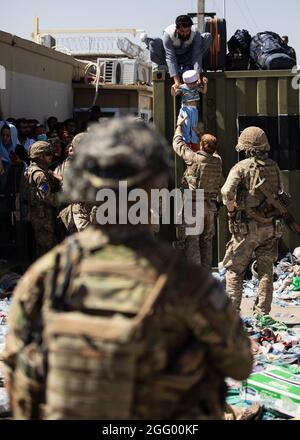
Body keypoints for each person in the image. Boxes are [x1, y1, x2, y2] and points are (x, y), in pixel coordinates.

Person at [3, 117, 252, 420]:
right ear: (151, 188)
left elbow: (16, 374)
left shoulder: (48, 274)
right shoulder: (185, 280)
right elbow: (239, 364)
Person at [222, 127, 284, 315]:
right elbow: (281, 192)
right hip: (269, 228)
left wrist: (231, 212)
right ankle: (262, 313)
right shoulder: (273, 166)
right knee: (266, 272)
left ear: (247, 148)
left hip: (246, 229)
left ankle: (232, 314)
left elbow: (226, 193)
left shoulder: (240, 168)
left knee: (234, 270)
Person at [173, 115, 224, 268]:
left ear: (201, 146)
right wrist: (200, 134)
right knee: (207, 241)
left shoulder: (194, 158)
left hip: (195, 206)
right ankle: (206, 272)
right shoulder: (217, 160)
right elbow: (211, 150)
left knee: (192, 240)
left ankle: (195, 276)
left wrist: (179, 127)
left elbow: (178, 144)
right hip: (210, 207)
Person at [146, 15, 212, 89]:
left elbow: (197, 54)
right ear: (177, 29)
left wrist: (198, 75)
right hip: (172, 59)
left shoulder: (195, 33)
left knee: (207, 37)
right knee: (153, 43)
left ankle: (188, 67)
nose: (185, 34)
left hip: (188, 57)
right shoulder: (168, 34)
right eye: (182, 31)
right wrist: (177, 81)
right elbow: (170, 56)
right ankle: (171, 70)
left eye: (187, 31)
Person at [22, 141, 61, 257]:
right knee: (47, 248)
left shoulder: (29, 170)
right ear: (41, 156)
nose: (51, 157)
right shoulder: (40, 174)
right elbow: (48, 197)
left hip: (36, 215)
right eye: (48, 154)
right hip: (43, 217)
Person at [172, 69, 208, 151]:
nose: (195, 84)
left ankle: (194, 148)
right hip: (185, 109)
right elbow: (174, 94)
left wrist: (205, 84)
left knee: (193, 127)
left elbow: (204, 91)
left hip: (194, 109)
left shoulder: (196, 87)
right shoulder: (182, 87)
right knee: (186, 127)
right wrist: (173, 88)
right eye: (193, 83)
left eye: (195, 82)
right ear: (188, 83)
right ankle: (187, 147)